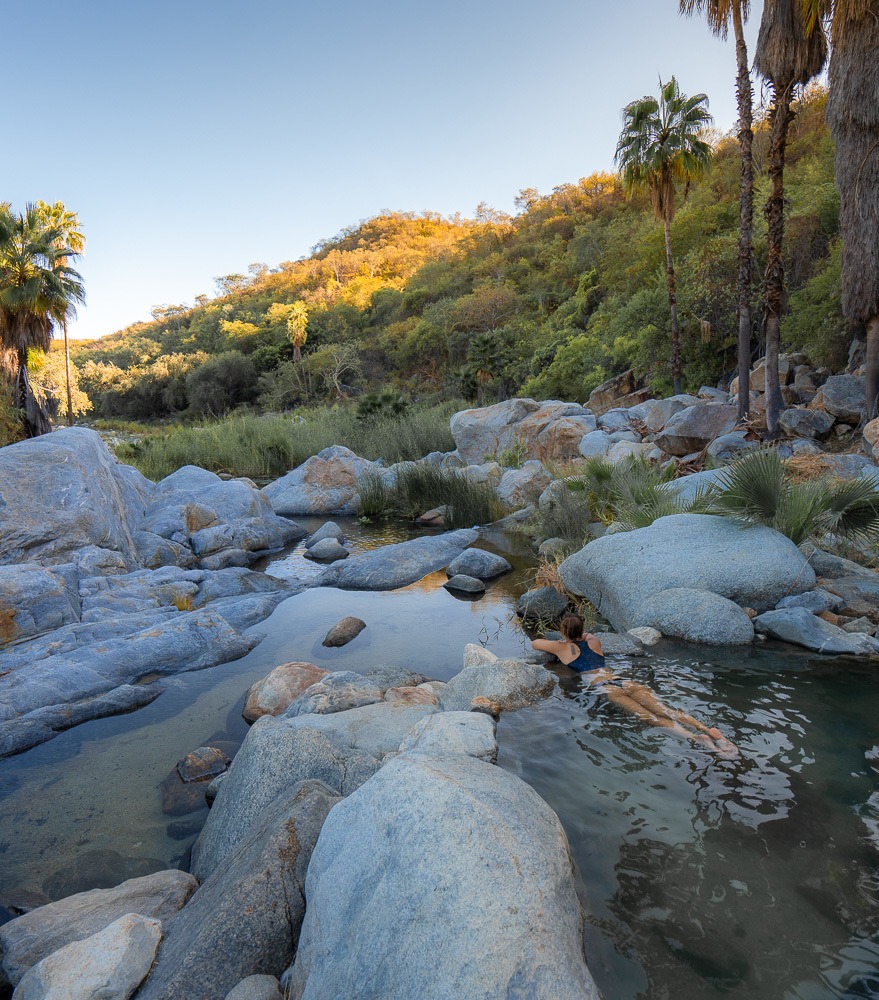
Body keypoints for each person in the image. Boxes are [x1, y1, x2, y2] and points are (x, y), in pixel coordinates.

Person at [532, 614, 738, 756]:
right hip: (624, 681)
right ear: (583, 629)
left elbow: (536, 643)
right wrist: (579, 634)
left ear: (563, 632)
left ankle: (695, 737)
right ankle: (706, 728)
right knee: (667, 709)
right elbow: (586, 636)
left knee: (651, 718)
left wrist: (564, 640)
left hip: (605, 687)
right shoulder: (594, 642)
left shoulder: (561, 648)